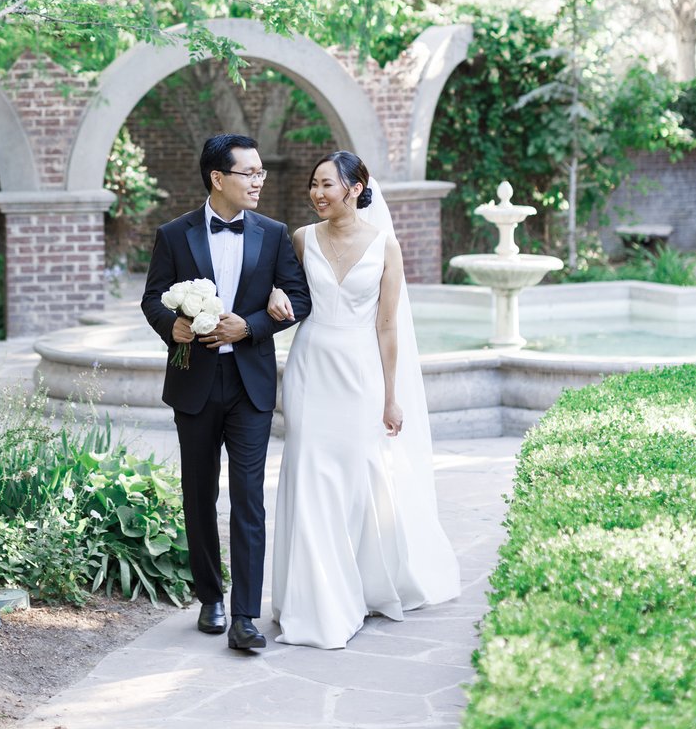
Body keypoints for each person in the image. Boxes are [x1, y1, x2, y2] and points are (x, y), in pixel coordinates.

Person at [267, 150, 460, 649]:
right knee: (310, 475)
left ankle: (361, 583)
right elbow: (288, 294)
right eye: (313, 184)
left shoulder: (384, 246)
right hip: (310, 367)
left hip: (360, 372)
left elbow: (388, 324)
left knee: (357, 480)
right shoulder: (301, 238)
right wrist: (273, 296)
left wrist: (391, 397)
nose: (317, 193)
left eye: (327, 184)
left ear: (355, 188)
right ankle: (317, 601)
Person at [141, 133, 311, 652]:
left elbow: (299, 297)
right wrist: (175, 327)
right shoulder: (174, 234)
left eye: (261, 173)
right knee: (198, 493)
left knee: (249, 498)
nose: (260, 181)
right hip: (193, 380)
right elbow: (152, 298)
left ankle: (245, 615)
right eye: (250, 173)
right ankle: (210, 597)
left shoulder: (274, 233)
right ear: (219, 178)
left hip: (250, 384)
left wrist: (252, 327)